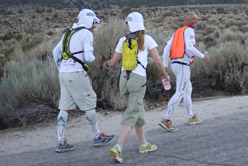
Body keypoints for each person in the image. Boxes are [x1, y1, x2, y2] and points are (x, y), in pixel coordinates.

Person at [103, 12, 170, 163]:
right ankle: (118, 147)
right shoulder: (147, 39)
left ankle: (143, 144)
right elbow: (158, 62)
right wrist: (165, 75)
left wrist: (105, 64)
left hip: (124, 80)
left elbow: (113, 62)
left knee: (137, 110)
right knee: (132, 112)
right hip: (138, 80)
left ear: (130, 25)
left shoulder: (122, 40)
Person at [53, 8, 115, 153]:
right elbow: (88, 58)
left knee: (64, 107)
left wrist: (61, 67)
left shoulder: (68, 32)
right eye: (93, 22)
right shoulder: (86, 33)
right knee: (89, 104)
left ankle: (61, 141)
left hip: (63, 73)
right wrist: (95, 58)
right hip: (77, 73)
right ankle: (97, 136)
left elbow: (55, 52)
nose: (93, 26)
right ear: (89, 21)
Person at [159, 12, 210, 132]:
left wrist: (165, 65)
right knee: (181, 92)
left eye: (196, 19)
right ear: (186, 20)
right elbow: (189, 48)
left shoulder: (177, 32)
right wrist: (203, 56)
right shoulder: (189, 31)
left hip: (175, 64)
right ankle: (166, 118)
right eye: (193, 19)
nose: (195, 22)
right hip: (183, 65)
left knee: (188, 90)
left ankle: (191, 116)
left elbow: (167, 48)